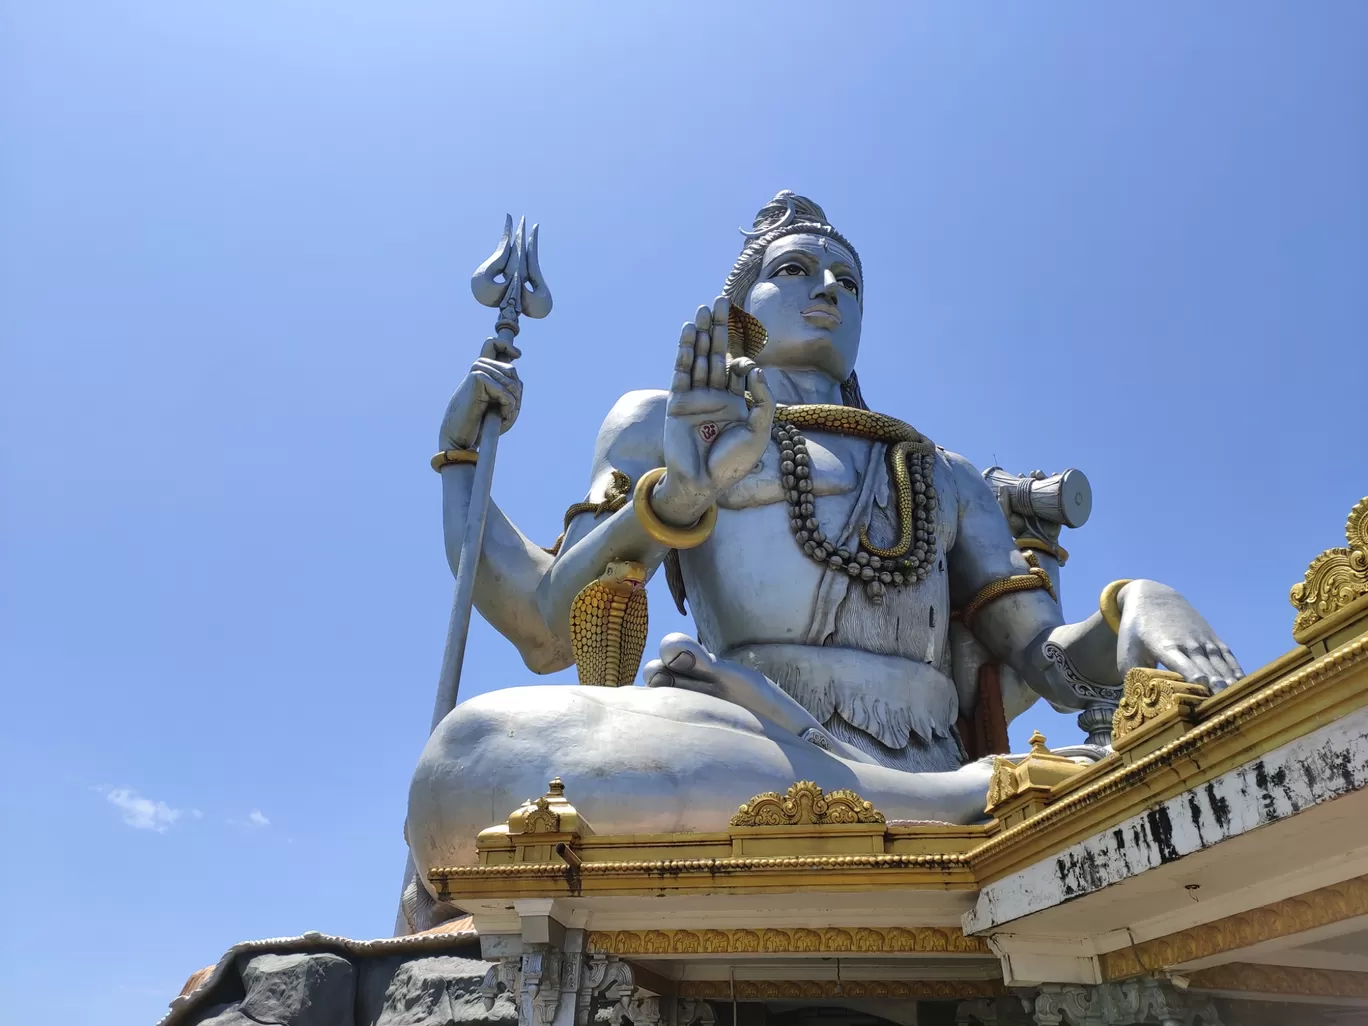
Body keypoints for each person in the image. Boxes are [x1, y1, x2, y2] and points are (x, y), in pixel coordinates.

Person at [404, 192, 1242, 930]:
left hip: (917, 758)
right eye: (798, 270)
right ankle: (951, 804)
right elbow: (549, 630)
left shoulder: (940, 473)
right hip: (743, 744)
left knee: (473, 767)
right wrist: (482, 469)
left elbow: (1053, 667)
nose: (830, 290)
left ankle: (937, 794)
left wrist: (1137, 607)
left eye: (848, 280)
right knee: (472, 754)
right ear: (742, 307)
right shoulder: (665, 419)